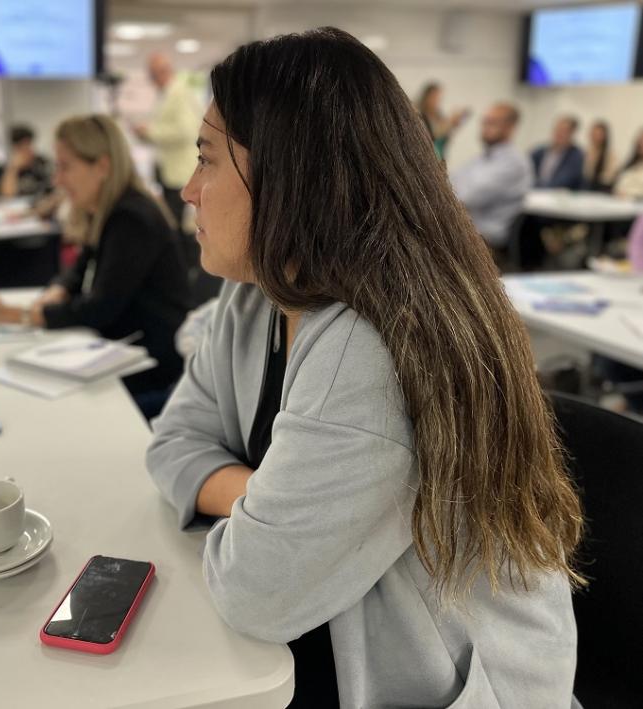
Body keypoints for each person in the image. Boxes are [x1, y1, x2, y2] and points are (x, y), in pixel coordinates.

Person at [147, 28, 583, 708]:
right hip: (325, 629)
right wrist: (271, 504)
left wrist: (270, 521)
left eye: (206, 160)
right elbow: (172, 441)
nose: (187, 189)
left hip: (440, 679)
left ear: (290, 175)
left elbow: (254, 591)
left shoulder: (368, 344)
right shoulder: (251, 294)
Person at [0, 114, 191, 418]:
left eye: (65, 167)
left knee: (38, 410)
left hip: (149, 372)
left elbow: (99, 309)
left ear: (101, 166)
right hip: (121, 353)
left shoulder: (131, 218)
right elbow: (80, 267)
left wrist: (12, 315)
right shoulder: (111, 208)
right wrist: (59, 289)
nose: (57, 179)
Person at [133, 53, 203, 270]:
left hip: (179, 173)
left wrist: (151, 132)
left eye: (156, 73)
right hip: (169, 171)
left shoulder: (179, 92)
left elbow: (185, 131)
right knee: (175, 225)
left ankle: (184, 270)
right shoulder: (166, 94)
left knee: (179, 227)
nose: (154, 78)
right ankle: (181, 268)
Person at [450, 102, 532, 256]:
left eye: (492, 123)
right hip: (465, 230)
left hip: (485, 240)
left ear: (510, 127)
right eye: (485, 122)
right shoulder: (483, 158)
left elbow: (467, 198)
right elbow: (447, 182)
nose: (485, 127)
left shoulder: (514, 163)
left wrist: (455, 189)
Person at [0, 124, 54, 200]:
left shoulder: (43, 163)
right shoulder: (9, 166)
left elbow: (53, 191)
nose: (26, 149)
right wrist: (13, 169)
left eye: (28, 144)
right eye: (20, 146)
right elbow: (7, 196)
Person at [415, 81, 468, 161]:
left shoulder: (439, 116)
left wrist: (453, 126)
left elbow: (443, 140)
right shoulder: (417, 114)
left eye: (438, 98)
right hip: (422, 159)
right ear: (426, 97)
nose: (436, 101)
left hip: (438, 159)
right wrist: (449, 124)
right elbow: (430, 135)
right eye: (434, 97)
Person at [531, 116, 584, 190]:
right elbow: (526, 172)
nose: (559, 133)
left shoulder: (576, 156)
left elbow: (562, 181)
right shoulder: (539, 152)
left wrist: (536, 186)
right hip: (534, 193)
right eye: (557, 129)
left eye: (564, 131)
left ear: (572, 134)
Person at [583, 120, 618, 192]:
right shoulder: (584, 152)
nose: (595, 137)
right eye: (594, 133)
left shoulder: (610, 155)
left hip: (601, 189)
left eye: (599, 134)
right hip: (584, 187)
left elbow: (609, 178)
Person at [613, 129, 643, 200]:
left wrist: (630, 195)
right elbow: (618, 184)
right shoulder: (632, 163)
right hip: (620, 203)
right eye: (640, 140)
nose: (640, 143)